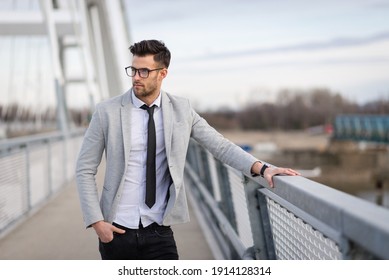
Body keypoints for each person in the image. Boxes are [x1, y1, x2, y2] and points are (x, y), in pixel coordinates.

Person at [76, 39, 300, 260]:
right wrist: (97, 222)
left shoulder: (181, 110)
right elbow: (85, 169)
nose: (135, 77)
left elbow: (220, 145)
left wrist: (262, 168)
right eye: (133, 70)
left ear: (162, 73)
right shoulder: (107, 112)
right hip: (116, 230)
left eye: (143, 71)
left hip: (159, 229)